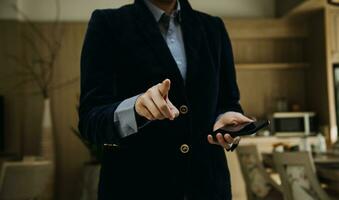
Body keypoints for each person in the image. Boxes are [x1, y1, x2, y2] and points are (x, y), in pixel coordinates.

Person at [79, 0, 252, 199]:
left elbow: (228, 101)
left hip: (208, 188)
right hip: (135, 188)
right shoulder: (108, 24)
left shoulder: (213, 28)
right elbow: (90, 120)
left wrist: (226, 118)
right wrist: (135, 110)